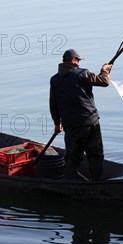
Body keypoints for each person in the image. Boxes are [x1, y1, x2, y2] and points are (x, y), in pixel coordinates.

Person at [49, 49, 112, 180]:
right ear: (72, 60)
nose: (78, 63)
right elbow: (104, 81)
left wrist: (57, 123)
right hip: (90, 123)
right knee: (95, 155)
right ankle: (96, 183)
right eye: (77, 60)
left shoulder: (54, 80)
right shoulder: (83, 74)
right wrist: (105, 70)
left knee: (72, 158)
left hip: (71, 126)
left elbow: (53, 104)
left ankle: (70, 183)